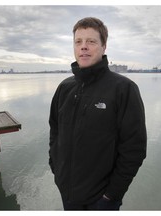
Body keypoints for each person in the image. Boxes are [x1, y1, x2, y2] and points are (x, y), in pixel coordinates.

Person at [48, 17, 147, 210]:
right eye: (78, 41)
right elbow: (55, 131)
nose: (83, 47)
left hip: (101, 201)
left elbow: (134, 149)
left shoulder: (124, 89)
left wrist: (111, 195)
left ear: (104, 46)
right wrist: (56, 168)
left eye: (91, 41)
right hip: (68, 195)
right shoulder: (64, 88)